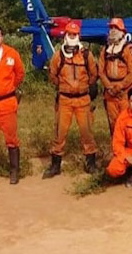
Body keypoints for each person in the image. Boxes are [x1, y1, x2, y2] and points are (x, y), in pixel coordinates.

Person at [43, 22, 98, 179]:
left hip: (83, 100)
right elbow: (53, 75)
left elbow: (93, 75)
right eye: (70, 34)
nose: (72, 37)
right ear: (65, 35)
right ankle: (55, 166)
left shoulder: (87, 55)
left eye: (75, 34)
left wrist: (82, 87)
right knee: (59, 133)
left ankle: (91, 164)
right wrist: (65, 88)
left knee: (87, 132)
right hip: (65, 100)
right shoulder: (58, 56)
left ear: (78, 36)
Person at [0, 24, 25, 185]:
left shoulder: (12, 54)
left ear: (2, 37)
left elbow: (20, 74)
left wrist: (9, 88)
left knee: (12, 138)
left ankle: (14, 171)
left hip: (8, 102)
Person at [99, 18, 132, 136]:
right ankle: (117, 150)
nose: (112, 30)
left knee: (128, 122)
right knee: (113, 124)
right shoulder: (105, 49)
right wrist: (109, 87)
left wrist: (120, 86)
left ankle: (129, 150)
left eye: (115, 28)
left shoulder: (128, 49)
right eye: (111, 28)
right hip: (110, 93)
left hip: (124, 93)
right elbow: (100, 71)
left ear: (122, 31)